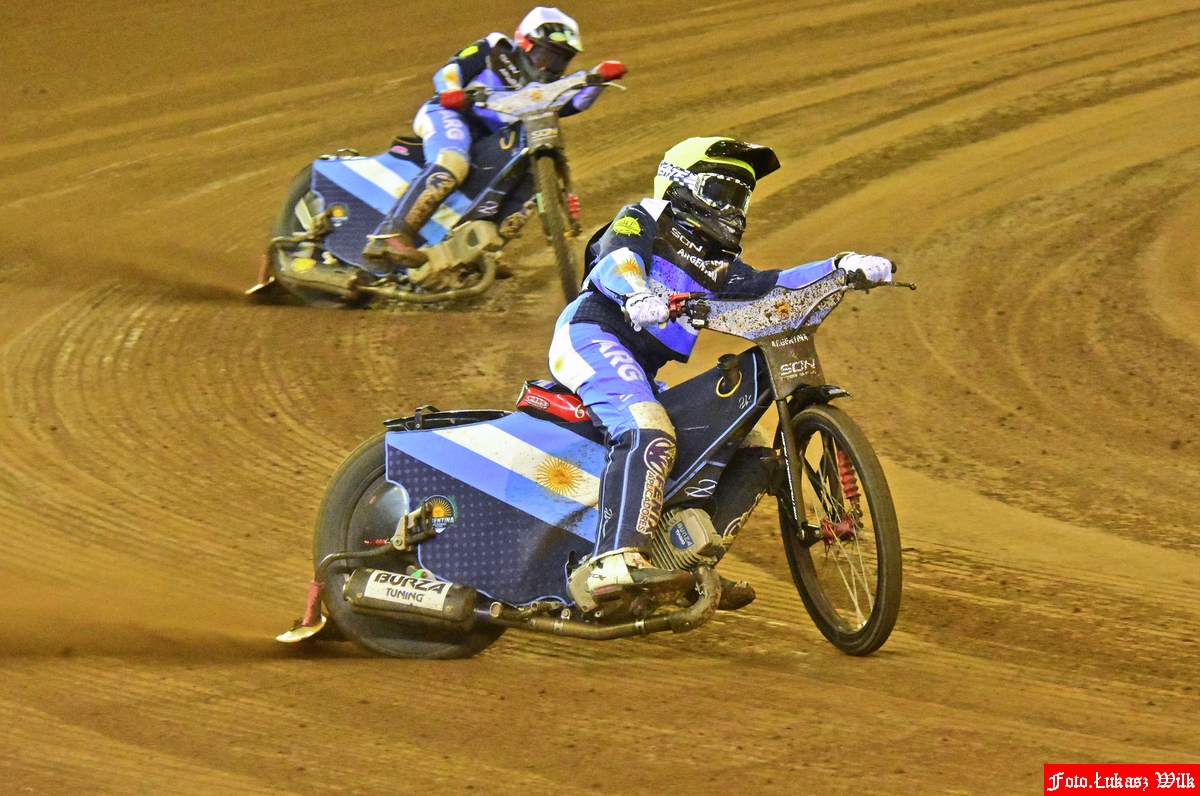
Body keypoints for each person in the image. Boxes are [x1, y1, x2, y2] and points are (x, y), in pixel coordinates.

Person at [549, 136, 895, 608]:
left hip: (642, 369)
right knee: (648, 430)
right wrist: (636, 293)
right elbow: (617, 257)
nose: (733, 208)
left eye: (741, 197)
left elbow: (771, 287)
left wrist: (841, 268)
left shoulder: (720, 264)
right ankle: (613, 561)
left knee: (753, 453)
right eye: (723, 192)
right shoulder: (645, 217)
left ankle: (685, 565)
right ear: (682, 185)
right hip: (592, 335)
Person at [363, 7, 624, 268]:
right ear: (525, 42)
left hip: (489, 138)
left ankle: (478, 254)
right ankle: (391, 234)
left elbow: (573, 102)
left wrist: (598, 79)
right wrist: (451, 90)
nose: (549, 67)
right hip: (449, 114)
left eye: (559, 61)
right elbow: (451, 70)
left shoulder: (544, 88)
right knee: (453, 160)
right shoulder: (495, 48)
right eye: (545, 55)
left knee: (528, 175)